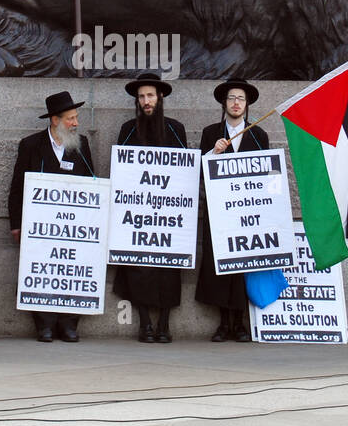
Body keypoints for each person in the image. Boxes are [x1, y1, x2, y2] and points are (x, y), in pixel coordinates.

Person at [7, 91, 96, 343]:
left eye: (76, 117)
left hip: (73, 227)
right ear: (55, 120)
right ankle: (44, 324)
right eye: (70, 119)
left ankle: (69, 324)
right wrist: (16, 225)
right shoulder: (31, 145)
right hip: (39, 227)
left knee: (70, 271)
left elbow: (91, 182)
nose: (75, 123)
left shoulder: (82, 145)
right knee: (41, 270)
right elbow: (16, 188)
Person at [115, 73, 188, 343]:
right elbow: (121, 169)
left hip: (168, 216)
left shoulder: (175, 129)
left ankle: (164, 325)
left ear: (160, 98)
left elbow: (186, 171)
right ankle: (145, 324)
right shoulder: (128, 129)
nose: (146, 101)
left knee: (168, 269)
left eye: (150, 96)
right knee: (139, 268)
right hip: (138, 216)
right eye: (142, 97)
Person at [196, 78, 269, 342]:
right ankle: (223, 323)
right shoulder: (210, 133)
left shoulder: (259, 136)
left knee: (243, 266)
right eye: (231, 98)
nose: (236, 103)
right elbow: (200, 174)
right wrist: (213, 154)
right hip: (219, 213)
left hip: (247, 214)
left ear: (246, 104)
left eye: (240, 98)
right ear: (224, 103)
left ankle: (239, 323)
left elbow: (265, 177)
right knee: (220, 265)